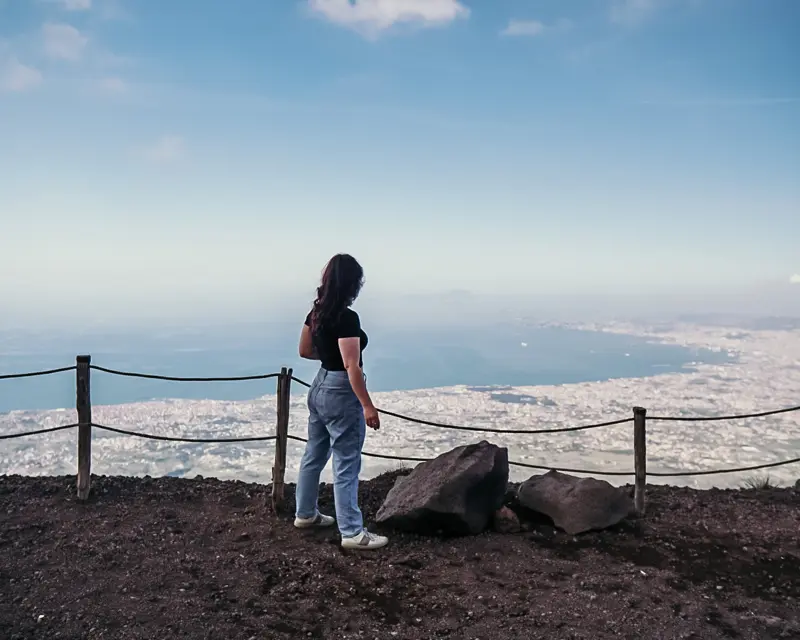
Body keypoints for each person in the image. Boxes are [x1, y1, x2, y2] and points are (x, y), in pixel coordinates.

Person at [294, 253, 389, 550]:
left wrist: (330, 357)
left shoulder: (317, 312)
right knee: (347, 462)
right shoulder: (347, 318)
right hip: (340, 391)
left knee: (314, 454)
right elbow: (352, 366)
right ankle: (352, 532)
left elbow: (305, 351)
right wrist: (367, 405)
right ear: (352, 284)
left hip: (319, 385)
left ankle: (305, 514)